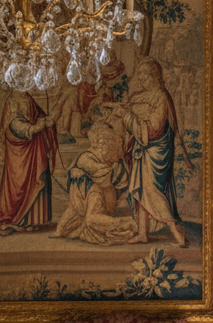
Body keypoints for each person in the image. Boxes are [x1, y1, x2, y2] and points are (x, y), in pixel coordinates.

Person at [118, 58, 192, 247]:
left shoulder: (160, 96)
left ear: (154, 76)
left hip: (155, 151)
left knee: (152, 191)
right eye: (139, 74)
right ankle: (143, 233)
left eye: (144, 74)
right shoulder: (141, 95)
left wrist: (127, 117)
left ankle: (176, 232)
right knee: (140, 190)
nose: (140, 78)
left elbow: (154, 130)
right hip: (141, 150)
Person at [54, 124, 135, 245]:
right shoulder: (86, 157)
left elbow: (114, 178)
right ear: (101, 143)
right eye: (111, 146)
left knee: (91, 220)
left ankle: (129, 223)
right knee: (62, 230)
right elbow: (103, 172)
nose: (112, 152)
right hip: (81, 201)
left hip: (99, 198)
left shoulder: (102, 164)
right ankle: (124, 223)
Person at [0, 91, 58, 235]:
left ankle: (33, 220)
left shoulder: (27, 97)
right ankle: (16, 219)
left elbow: (39, 116)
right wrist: (34, 128)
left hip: (35, 149)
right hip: (20, 154)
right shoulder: (13, 99)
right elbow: (12, 125)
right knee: (21, 183)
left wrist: (47, 121)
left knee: (37, 181)